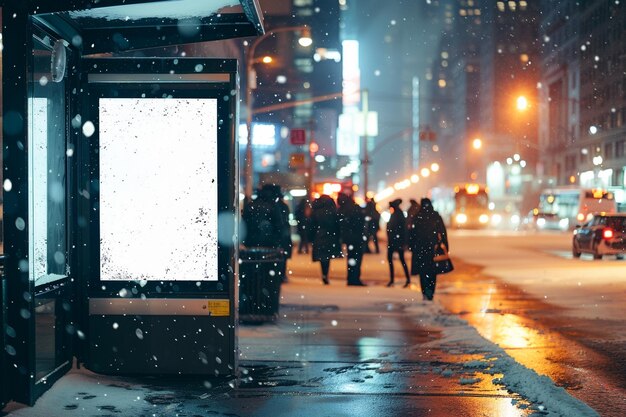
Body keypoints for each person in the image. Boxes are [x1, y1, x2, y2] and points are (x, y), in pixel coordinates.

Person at [408, 198, 448, 300]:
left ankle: (425, 293)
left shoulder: (418, 216)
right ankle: (430, 292)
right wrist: (445, 245)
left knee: (422, 272)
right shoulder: (435, 216)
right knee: (432, 272)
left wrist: (411, 246)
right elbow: (442, 231)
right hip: (432, 248)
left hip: (420, 249)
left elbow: (412, 233)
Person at [310, 195, 343, 285]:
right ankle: (325, 274)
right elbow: (337, 226)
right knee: (327, 257)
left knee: (323, 257)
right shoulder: (332, 211)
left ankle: (324, 274)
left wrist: (311, 237)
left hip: (319, 236)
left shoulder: (316, 212)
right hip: (330, 237)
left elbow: (312, 226)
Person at [337, 193, 366, 286]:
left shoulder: (342, 210)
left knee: (351, 258)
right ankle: (355, 278)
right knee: (357, 259)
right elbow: (361, 222)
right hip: (357, 238)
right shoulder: (354, 208)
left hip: (349, 239)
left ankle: (350, 278)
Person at [386, 199, 411, 288]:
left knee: (397, 260)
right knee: (400, 260)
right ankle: (405, 279)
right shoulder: (398, 214)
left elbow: (401, 230)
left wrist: (403, 242)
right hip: (396, 241)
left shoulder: (397, 215)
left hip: (396, 241)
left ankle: (395, 279)